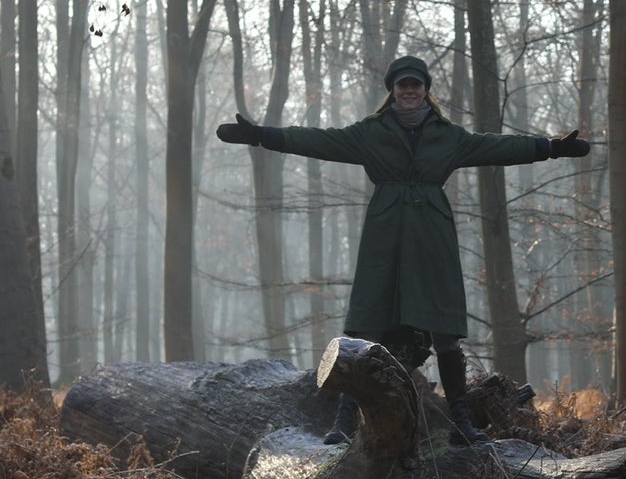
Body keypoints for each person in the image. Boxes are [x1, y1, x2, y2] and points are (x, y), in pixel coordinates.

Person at [216, 54, 591, 444]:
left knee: (445, 330)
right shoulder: (369, 133)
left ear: (426, 91)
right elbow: (317, 140)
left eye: (416, 85)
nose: (409, 91)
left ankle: (462, 421)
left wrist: (550, 147)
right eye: (402, 85)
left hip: (432, 237)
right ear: (393, 91)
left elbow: (497, 147)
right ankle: (344, 423)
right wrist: (261, 135)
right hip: (385, 236)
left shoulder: (448, 136)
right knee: (367, 327)